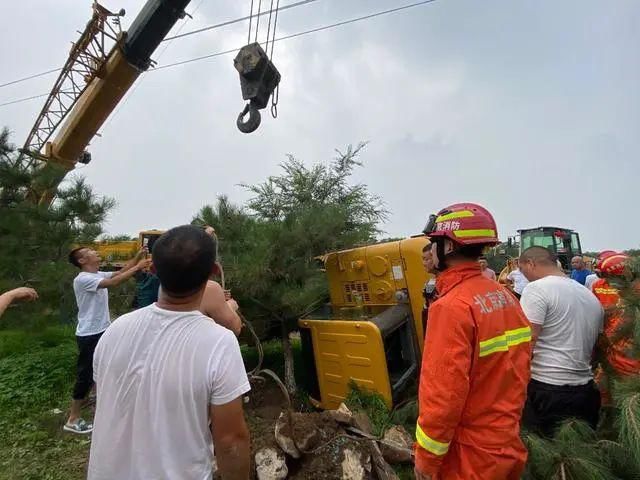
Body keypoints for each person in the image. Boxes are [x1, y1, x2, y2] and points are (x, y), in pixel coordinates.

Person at [88, 226, 250, 480]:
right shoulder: (219, 343)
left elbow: (107, 396)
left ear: (153, 269)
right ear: (213, 273)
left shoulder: (115, 330)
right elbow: (230, 441)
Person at [415, 203, 531, 480]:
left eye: (434, 243)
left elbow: (442, 395)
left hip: (469, 456)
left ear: (449, 247)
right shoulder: (503, 296)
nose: (430, 250)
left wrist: (426, 460)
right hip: (505, 442)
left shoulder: (451, 307)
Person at [64, 247, 150, 434]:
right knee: (85, 375)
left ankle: (99, 405)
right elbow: (115, 282)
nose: (96, 253)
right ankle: (73, 418)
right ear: (82, 261)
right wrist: (138, 268)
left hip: (101, 329)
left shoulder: (95, 274)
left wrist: (137, 257)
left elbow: (119, 272)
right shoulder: (83, 279)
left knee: (101, 367)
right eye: (91, 252)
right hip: (89, 333)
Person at [519, 246, 603, 436]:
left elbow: (528, 340)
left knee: (544, 454)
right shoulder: (589, 296)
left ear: (531, 264)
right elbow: (595, 349)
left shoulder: (536, 289)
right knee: (580, 456)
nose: (524, 278)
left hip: (547, 388)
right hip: (586, 391)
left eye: (523, 271)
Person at [591, 252, 639, 395]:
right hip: (612, 358)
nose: (609, 284)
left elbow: (618, 332)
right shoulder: (598, 285)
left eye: (611, 279)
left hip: (628, 364)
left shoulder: (633, 301)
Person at [199, 225, 243, 335]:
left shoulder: (165, 287)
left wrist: (217, 297)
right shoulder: (207, 287)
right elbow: (235, 328)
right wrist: (230, 306)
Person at [420, 243, 438, 337]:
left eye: (426, 259)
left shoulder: (447, 283)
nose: (424, 263)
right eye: (423, 259)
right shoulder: (430, 282)